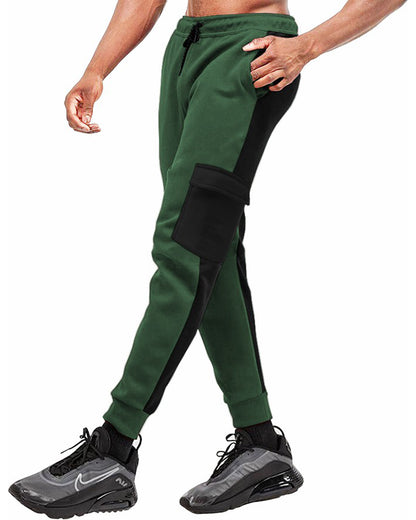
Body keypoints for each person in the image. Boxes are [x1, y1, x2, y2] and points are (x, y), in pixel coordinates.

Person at [9, 0, 406, 517]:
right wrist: (96, 69)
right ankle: (259, 442)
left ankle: (113, 446)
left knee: (184, 250)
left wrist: (308, 46)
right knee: (206, 251)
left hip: (249, 58)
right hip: (185, 51)